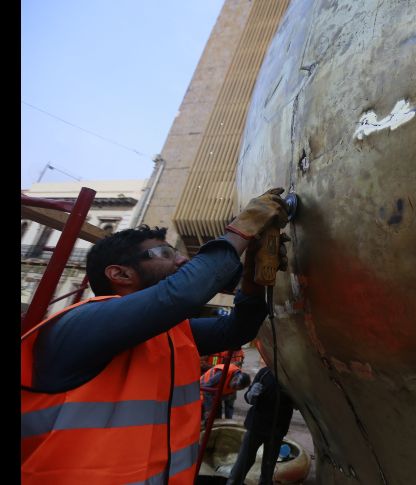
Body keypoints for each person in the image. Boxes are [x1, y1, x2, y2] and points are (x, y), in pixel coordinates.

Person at [21, 188, 290, 484]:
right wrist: (240, 231)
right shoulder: (81, 324)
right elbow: (181, 294)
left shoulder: (172, 334)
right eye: (165, 254)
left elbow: (237, 329)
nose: (181, 261)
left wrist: (252, 277)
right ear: (120, 274)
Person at [226, 367, 295, 485]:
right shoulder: (265, 372)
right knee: (242, 463)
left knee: (268, 469)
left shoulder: (293, 378)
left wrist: (293, 397)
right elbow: (248, 398)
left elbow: (300, 405)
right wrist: (251, 394)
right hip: (256, 425)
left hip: (277, 429)